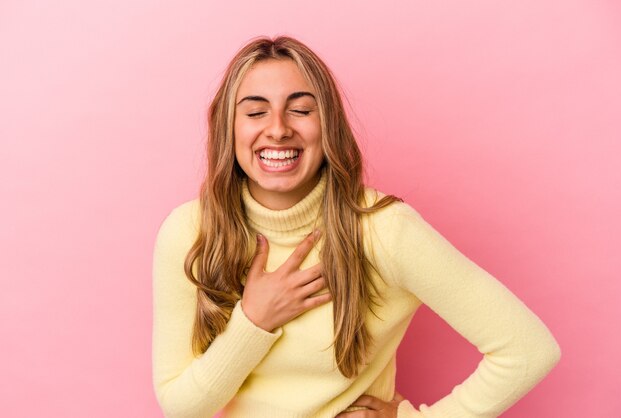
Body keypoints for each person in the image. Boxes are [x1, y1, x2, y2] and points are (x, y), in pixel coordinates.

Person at [151, 36, 561, 418]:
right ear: (229, 128)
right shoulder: (189, 233)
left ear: (327, 124)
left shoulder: (384, 229)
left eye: (300, 109)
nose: (277, 128)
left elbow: (528, 350)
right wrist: (254, 320)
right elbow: (182, 408)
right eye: (256, 111)